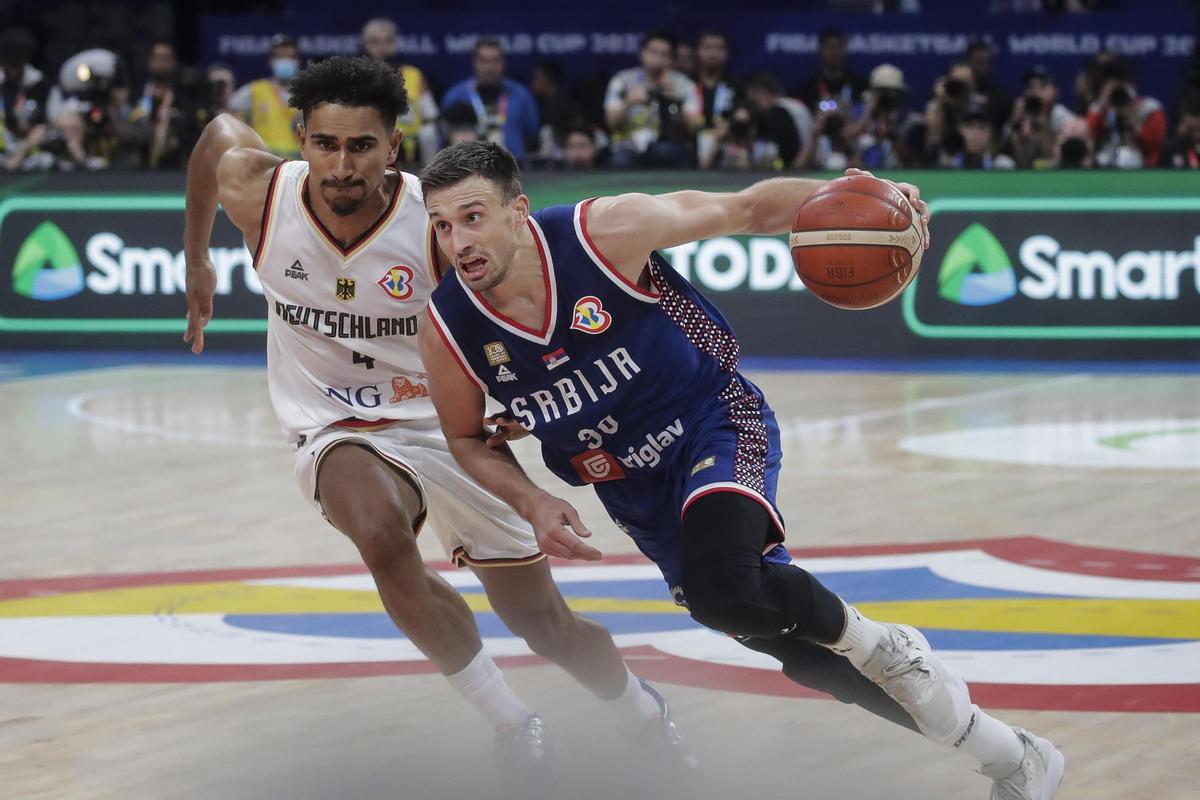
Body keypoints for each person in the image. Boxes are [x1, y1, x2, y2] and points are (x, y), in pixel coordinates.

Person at [417, 139, 1067, 799]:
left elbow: (752, 208)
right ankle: (1012, 755)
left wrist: (879, 198)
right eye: (441, 225)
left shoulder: (603, 234)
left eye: (472, 217)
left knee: (729, 585)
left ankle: (885, 645)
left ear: (518, 212)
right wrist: (530, 500)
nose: (457, 239)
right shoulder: (448, 326)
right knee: (787, 644)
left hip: (712, 419)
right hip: (632, 488)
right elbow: (468, 440)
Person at [182, 56, 692, 790]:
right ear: (300, 139)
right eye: (325, 144)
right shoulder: (261, 194)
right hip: (334, 424)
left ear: (394, 146)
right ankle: (512, 719)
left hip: (450, 425)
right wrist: (197, 257)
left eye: (362, 146)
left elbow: (528, 303)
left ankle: (641, 713)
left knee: (546, 626)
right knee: (381, 534)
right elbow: (212, 142)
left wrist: (533, 395)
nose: (342, 164)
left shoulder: (438, 226)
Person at [604, 30, 702, 168]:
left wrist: (678, 103)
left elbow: (693, 128)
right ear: (642, 53)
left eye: (664, 54)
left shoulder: (683, 84)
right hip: (628, 146)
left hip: (668, 144)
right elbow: (611, 123)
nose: (657, 58)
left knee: (664, 152)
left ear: (672, 59)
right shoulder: (621, 80)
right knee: (621, 160)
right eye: (653, 52)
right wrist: (629, 102)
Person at [442, 39, 540, 161]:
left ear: (503, 63)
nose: (490, 67)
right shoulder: (455, 96)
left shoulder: (521, 95)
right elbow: (444, 140)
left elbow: (532, 135)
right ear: (475, 63)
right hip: (468, 171)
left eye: (496, 60)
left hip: (516, 170)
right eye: (484, 61)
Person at [361, 17, 440, 166]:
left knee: (429, 132)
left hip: (409, 146)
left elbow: (430, 115)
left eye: (388, 41)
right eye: (375, 42)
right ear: (365, 45)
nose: (382, 47)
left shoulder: (414, 75)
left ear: (395, 43)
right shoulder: (357, 77)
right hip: (370, 143)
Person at [229, 33, 303, 158]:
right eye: (280, 57)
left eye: (290, 57)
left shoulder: (306, 92)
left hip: (299, 164)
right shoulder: (253, 90)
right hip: (265, 163)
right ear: (271, 61)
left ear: (298, 61)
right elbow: (232, 116)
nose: (285, 61)